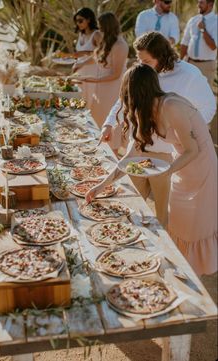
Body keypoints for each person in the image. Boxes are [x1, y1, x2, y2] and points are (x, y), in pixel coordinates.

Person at [86, 64, 217, 276]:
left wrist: (167, 171)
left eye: (127, 94)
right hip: (180, 168)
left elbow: (193, 150)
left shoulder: (172, 105)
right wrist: (99, 187)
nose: (126, 101)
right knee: (177, 224)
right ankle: (178, 272)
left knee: (193, 227)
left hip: (201, 169)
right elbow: (129, 159)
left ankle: (193, 277)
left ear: (138, 91)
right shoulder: (146, 113)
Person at [99, 32, 216, 225]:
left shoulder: (189, 75)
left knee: (164, 214)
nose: (141, 64)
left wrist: (181, 132)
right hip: (138, 145)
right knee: (131, 204)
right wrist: (109, 123)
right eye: (139, 59)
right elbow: (125, 100)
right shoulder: (141, 73)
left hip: (169, 154)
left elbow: (209, 107)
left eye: (145, 61)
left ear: (161, 57)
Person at [74, 12, 129, 127]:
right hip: (101, 86)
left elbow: (116, 74)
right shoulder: (107, 40)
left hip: (113, 88)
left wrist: (93, 80)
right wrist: (81, 64)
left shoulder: (120, 45)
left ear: (107, 26)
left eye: (101, 26)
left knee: (109, 120)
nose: (99, 29)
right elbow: (96, 57)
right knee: (96, 117)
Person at [180, 0, 217, 87]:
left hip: (206, 65)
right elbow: (185, 42)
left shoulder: (216, 22)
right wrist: (180, 61)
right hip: (190, 63)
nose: (198, 5)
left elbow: (213, 46)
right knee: (188, 92)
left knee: (204, 95)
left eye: (201, 3)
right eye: (198, 2)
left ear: (210, 4)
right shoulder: (193, 20)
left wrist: (203, 30)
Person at [72, 7, 101, 107]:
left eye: (80, 21)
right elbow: (81, 53)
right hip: (79, 71)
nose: (78, 24)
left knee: (89, 102)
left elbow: (101, 54)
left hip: (92, 71)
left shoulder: (96, 34)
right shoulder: (81, 34)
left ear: (89, 19)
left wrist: (82, 58)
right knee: (78, 100)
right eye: (76, 21)